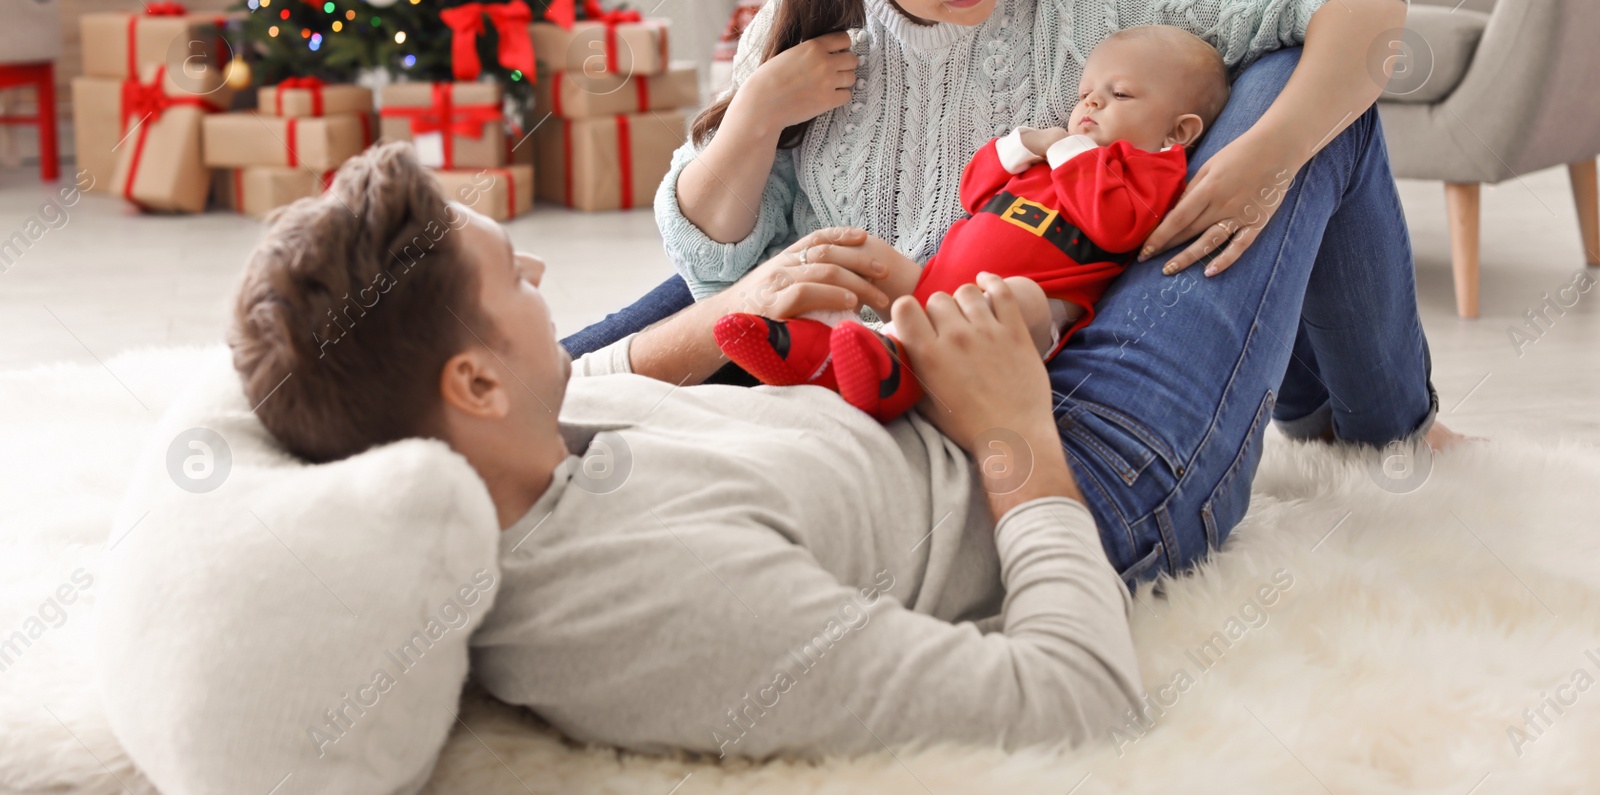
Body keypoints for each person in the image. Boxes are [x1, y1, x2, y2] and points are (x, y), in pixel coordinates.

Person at [569, 0, 1462, 586]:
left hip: (1057, 330)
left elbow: (1362, 2)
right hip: (905, 358)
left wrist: (1256, 164)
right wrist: (758, 107)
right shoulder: (809, 39)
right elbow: (724, 283)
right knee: (689, 310)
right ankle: (1371, 414)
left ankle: (1376, 413)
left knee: (1298, 78)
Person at [228, 142, 1145, 758]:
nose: (543, 275)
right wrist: (1015, 432)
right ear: (475, 387)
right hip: (1075, 480)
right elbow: (1079, 698)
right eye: (513, 274)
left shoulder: (513, 445)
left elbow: (587, 372)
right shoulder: (657, 605)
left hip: (928, 384)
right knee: (1249, 109)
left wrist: (734, 307)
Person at [713, 23, 1227, 421]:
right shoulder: (1056, 157)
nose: (1090, 103)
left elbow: (1116, 226)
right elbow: (974, 189)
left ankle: (890, 368)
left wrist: (1069, 150)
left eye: (1120, 95)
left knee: (1013, 298)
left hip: (1016, 315)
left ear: (1177, 132)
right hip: (935, 284)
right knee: (855, 251)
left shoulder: (1151, 168)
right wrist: (1026, 144)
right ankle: (807, 345)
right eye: (1085, 93)